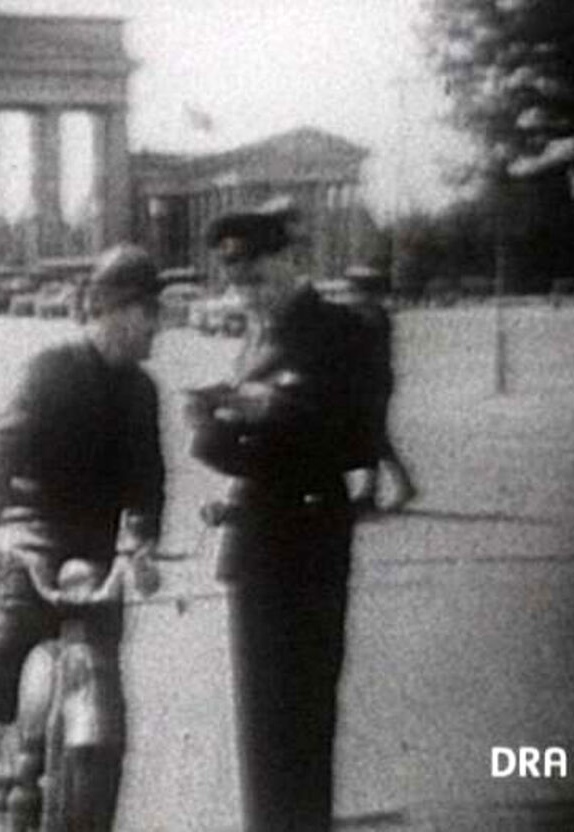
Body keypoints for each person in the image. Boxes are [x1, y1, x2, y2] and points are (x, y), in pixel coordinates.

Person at [0, 243, 166, 828]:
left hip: (100, 555)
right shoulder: (51, 370)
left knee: (104, 668)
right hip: (35, 538)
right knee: (7, 634)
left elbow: (148, 482)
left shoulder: (142, 392)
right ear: (110, 310)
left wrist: (141, 543)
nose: (155, 325)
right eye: (145, 311)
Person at [184, 206, 374, 832]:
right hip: (259, 540)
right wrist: (219, 427)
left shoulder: (339, 331)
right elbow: (259, 430)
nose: (249, 295)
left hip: (308, 539)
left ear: (291, 262)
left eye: (258, 279)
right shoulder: (260, 336)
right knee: (260, 718)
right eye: (239, 284)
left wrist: (237, 421)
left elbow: (351, 440)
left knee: (303, 711)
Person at [339, 267, 418, 513]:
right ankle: (372, 490)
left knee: (376, 437)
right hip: (371, 383)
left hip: (372, 384)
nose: (351, 295)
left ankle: (402, 486)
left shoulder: (371, 318)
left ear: (368, 293)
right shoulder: (371, 314)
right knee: (372, 436)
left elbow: (359, 353)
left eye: (355, 290)